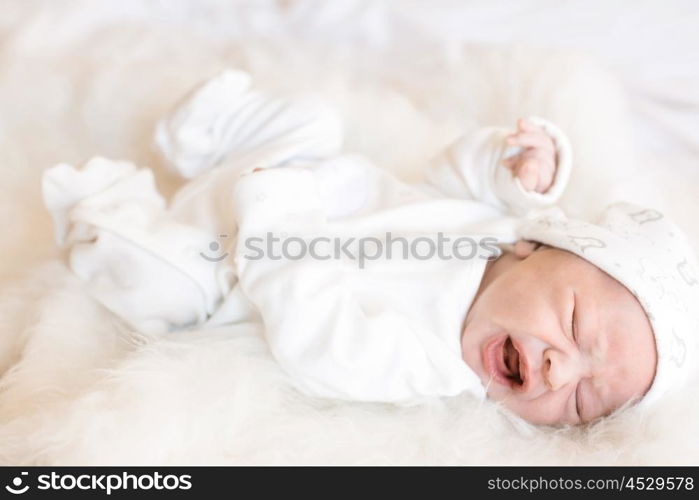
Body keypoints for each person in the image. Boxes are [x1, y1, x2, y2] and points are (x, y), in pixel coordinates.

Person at [42, 70, 698, 426]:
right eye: (577, 326)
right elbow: (453, 173)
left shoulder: (435, 364)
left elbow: (316, 337)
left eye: (582, 403)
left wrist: (281, 211)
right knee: (314, 121)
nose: (560, 371)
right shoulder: (496, 225)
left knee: (160, 287)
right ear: (534, 245)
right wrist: (514, 163)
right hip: (290, 173)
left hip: (228, 267)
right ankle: (202, 137)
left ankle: (105, 209)